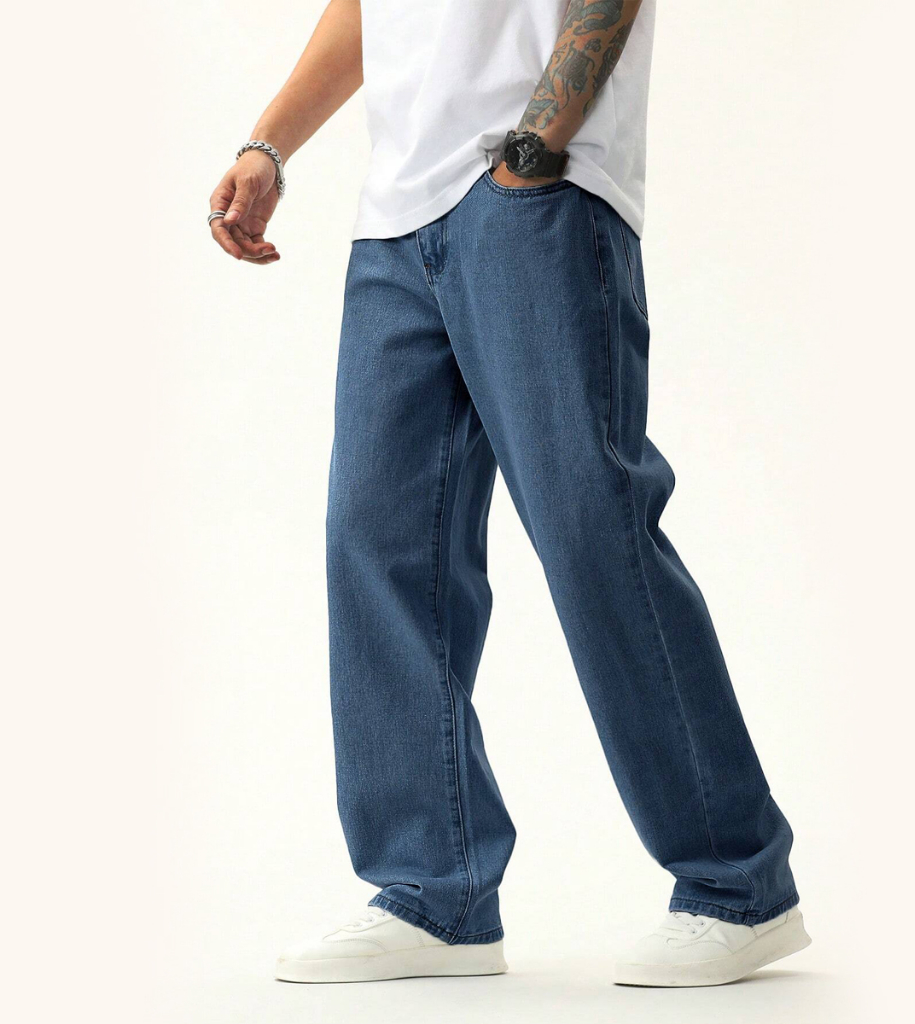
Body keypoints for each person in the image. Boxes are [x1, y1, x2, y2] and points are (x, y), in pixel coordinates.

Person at [208, 0, 809, 987]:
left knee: (590, 527)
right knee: (375, 543)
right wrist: (268, 144)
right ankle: (431, 892)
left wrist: (534, 151)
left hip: (536, 194)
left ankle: (737, 882)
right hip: (396, 218)